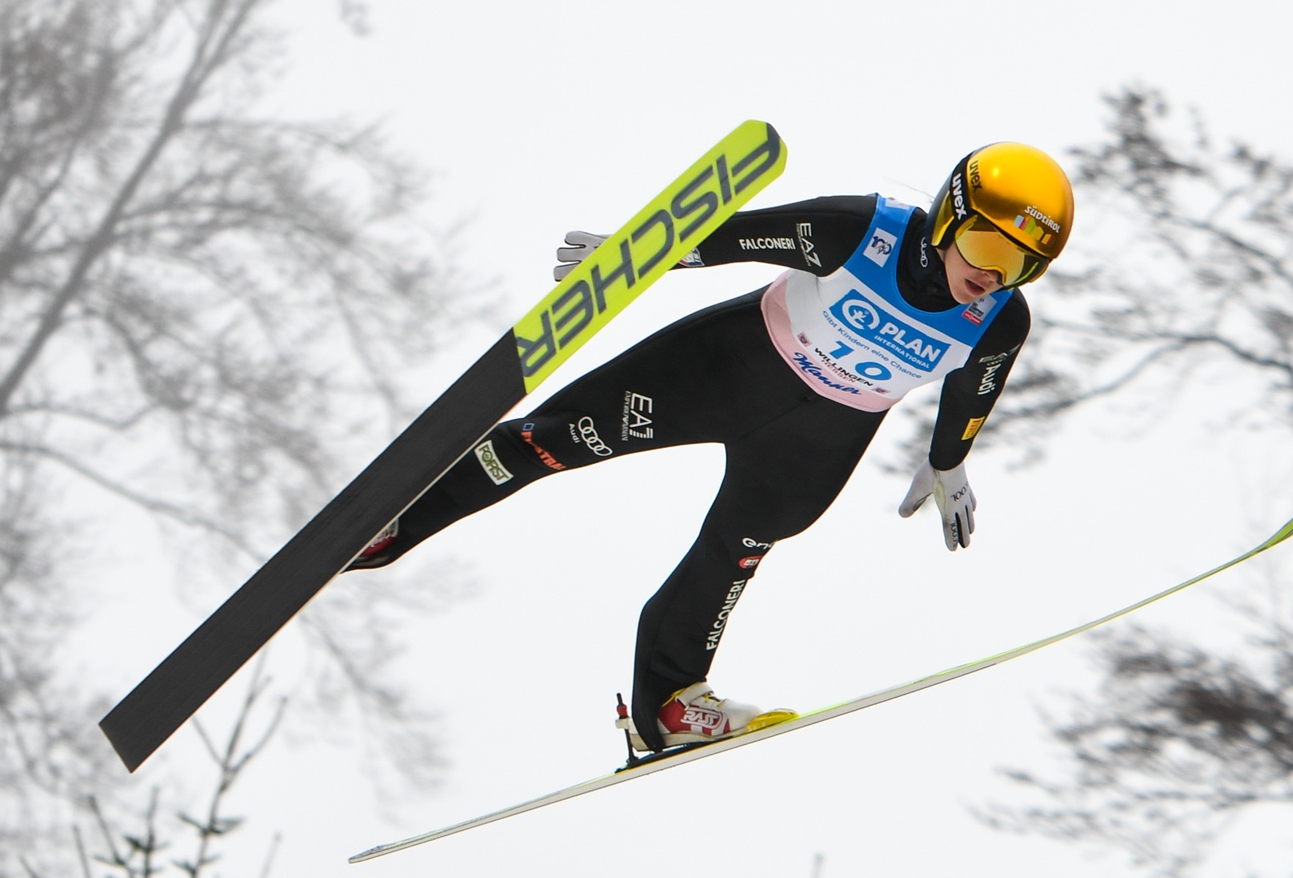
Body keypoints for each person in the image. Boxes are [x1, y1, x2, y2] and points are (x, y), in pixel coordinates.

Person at [346, 143, 1075, 754]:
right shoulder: (864, 232)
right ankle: (396, 523)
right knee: (555, 444)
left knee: (736, 553)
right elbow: (734, 235)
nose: (991, 271)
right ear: (951, 214)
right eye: (986, 243)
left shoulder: (999, 321)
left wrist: (948, 460)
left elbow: (973, 393)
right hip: (729, 369)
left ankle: (669, 707)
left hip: (819, 441)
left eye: (1019, 264)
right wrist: (635, 257)